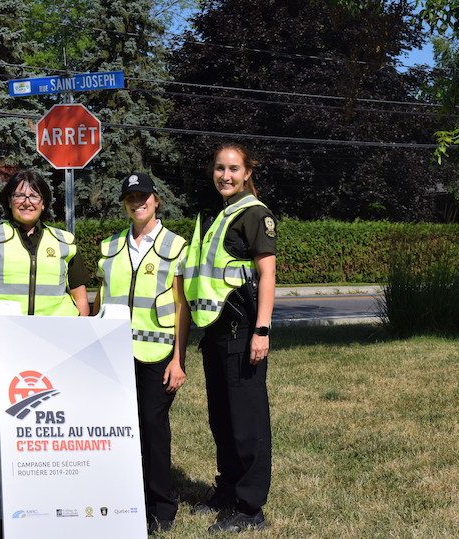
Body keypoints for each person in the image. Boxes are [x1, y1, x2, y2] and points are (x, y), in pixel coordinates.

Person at [184, 143, 277, 533]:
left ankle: (250, 507)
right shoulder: (213, 216)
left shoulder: (255, 214)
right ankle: (226, 490)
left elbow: (268, 275)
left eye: (234, 169)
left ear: (247, 172)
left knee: (246, 423)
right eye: (220, 168)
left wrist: (262, 330)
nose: (226, 175)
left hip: (244, 331)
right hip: (216, 332)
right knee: (221, 419)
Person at [93, 173, 189, 535]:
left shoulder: (175, 246)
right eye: (131, 197)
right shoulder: (111, 246)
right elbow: (102, 300)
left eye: (143, 196)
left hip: (157, 354)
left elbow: (182, 307)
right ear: (125, 203)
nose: (138, 202)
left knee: (152, 427)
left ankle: (161, 507)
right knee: (119, 429)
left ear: (156, 200)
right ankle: (124, 500)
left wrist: (179, 359)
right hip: (114, 356)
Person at [0, 170, 89, 345]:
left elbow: (81, 298)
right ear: (9, 201)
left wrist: (80, 341)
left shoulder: (65, 242)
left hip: (57, 341)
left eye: (34, 196)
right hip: (0, 340)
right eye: (19, 195)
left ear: (43, 203)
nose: (27, 202)